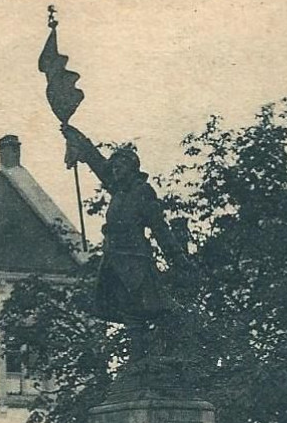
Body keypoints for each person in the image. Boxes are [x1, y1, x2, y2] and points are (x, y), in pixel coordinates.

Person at [60, 123, 190, 335]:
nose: (115, 171)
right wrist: (77, 138)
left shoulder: (142, 192)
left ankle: (148, 354)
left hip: (135, 261)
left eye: (119, 167)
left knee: (141, 311)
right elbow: (96, 162)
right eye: (114, 168)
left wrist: (178, 258)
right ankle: (137, 361)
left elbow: (160, 229)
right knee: (127, 312)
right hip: (114, 260)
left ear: (131, 169)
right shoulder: (117, 191)